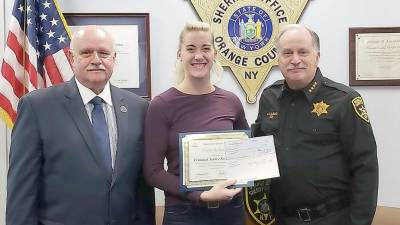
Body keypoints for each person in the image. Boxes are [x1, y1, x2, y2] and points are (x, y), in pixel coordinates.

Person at [6, 26, 154, 225]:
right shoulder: (37, 107)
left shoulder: (139, 108)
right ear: (71, 58)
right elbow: (22, 191)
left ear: (114, 58)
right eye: (86, 53)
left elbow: (142, 189)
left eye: (103, 53)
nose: (96, 59)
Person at [252, 24, 379, 225]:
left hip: (333, 218)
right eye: (287, 53)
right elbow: (256, 148)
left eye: (303, 52)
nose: (295, 60)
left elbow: (365, 167)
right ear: (279, 60)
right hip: (283, 218)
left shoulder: (344, 100)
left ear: (316, 57)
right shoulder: (269, 97)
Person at [143, 21, 249, 225]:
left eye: (206, 48)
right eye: (191, 49)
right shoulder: (161, 105)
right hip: (183, 214)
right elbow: (153, 171)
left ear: (215, 54)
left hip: (231, 211)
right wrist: (199, 196)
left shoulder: (231, 101)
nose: (198, 56)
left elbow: (245, 156)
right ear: (179, 54)